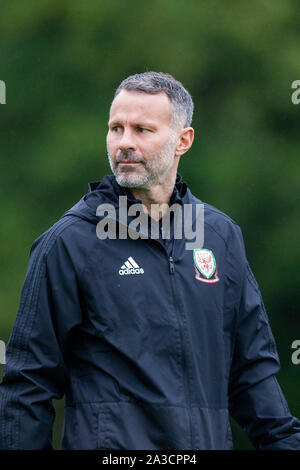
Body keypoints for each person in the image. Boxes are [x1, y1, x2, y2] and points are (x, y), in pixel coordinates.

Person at [0, 71, 300, 451]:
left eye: (142, 130)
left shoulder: (220, 238)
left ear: (183, 140)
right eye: (116, 128)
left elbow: (252, 374)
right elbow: (27, 387)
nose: (124, 143)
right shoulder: (68, 243)